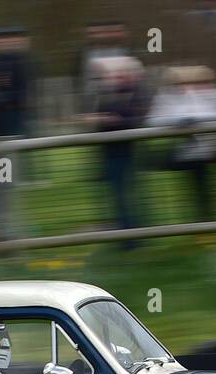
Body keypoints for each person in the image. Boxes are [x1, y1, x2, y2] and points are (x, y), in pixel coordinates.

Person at [146, 65, 216, 221]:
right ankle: (203, 216)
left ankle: (206, 216)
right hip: (192, 147)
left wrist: (194, 120)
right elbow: (155, 119)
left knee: (201, 175)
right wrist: (178, 121)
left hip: (215, 145)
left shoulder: (215, 93)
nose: (185, 86)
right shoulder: (169, 96)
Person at [88, 56, 147, 240]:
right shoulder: (112, 93)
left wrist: (110, 120)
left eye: (122, 74)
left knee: (128, 195)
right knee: (118, 195)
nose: (118, 77)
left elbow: (136, 119)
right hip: (110, 150)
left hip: (127, 151)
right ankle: (125, 233)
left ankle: (132, 237)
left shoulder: (138, 93)